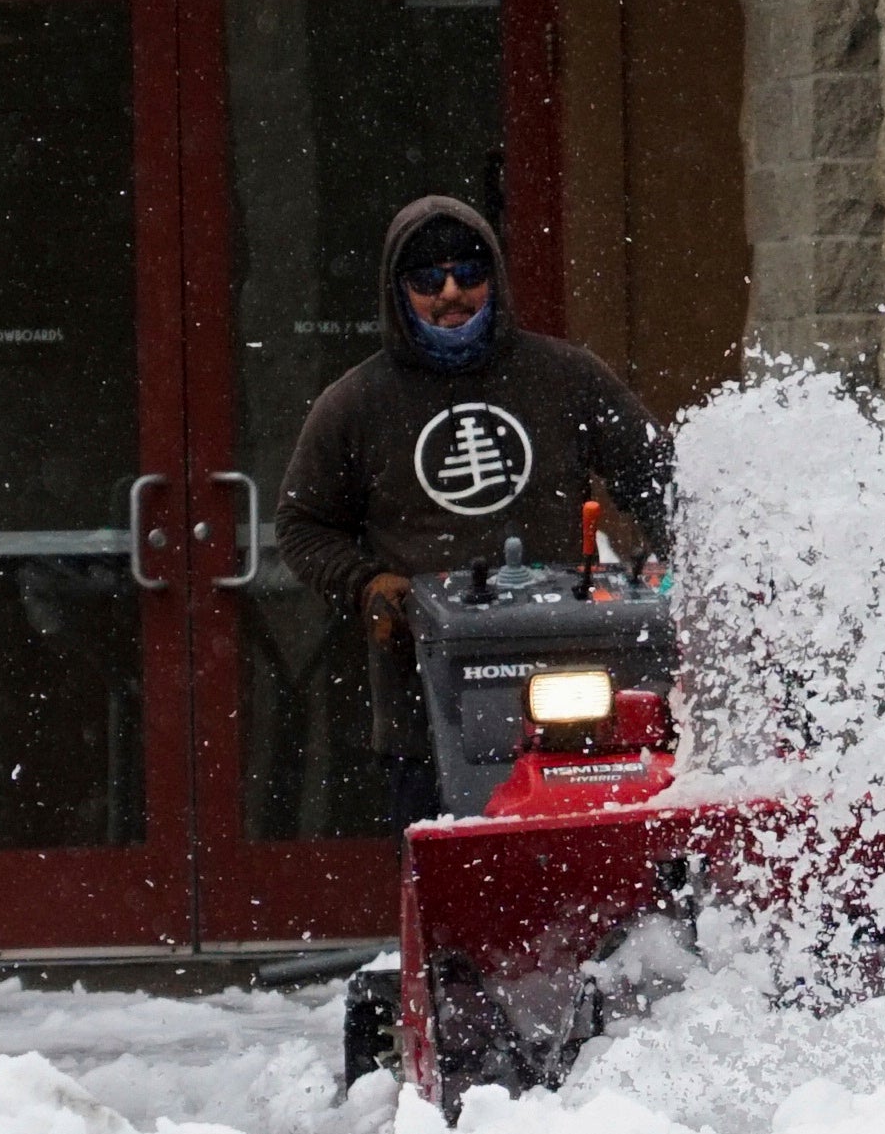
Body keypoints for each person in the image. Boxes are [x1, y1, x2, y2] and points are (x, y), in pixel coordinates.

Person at [273, 193, 669, 818]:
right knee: (451, 882)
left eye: (469, 274)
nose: (451, 293)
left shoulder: (566, 376)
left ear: (496, 279)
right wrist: (368, 585)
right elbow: (301, 526)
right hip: (426, 698)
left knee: (589, 859)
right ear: (400, 290)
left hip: (573, 683)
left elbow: (657, 477)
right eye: (429, 278)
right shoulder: (355, 403)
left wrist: (679, 572)